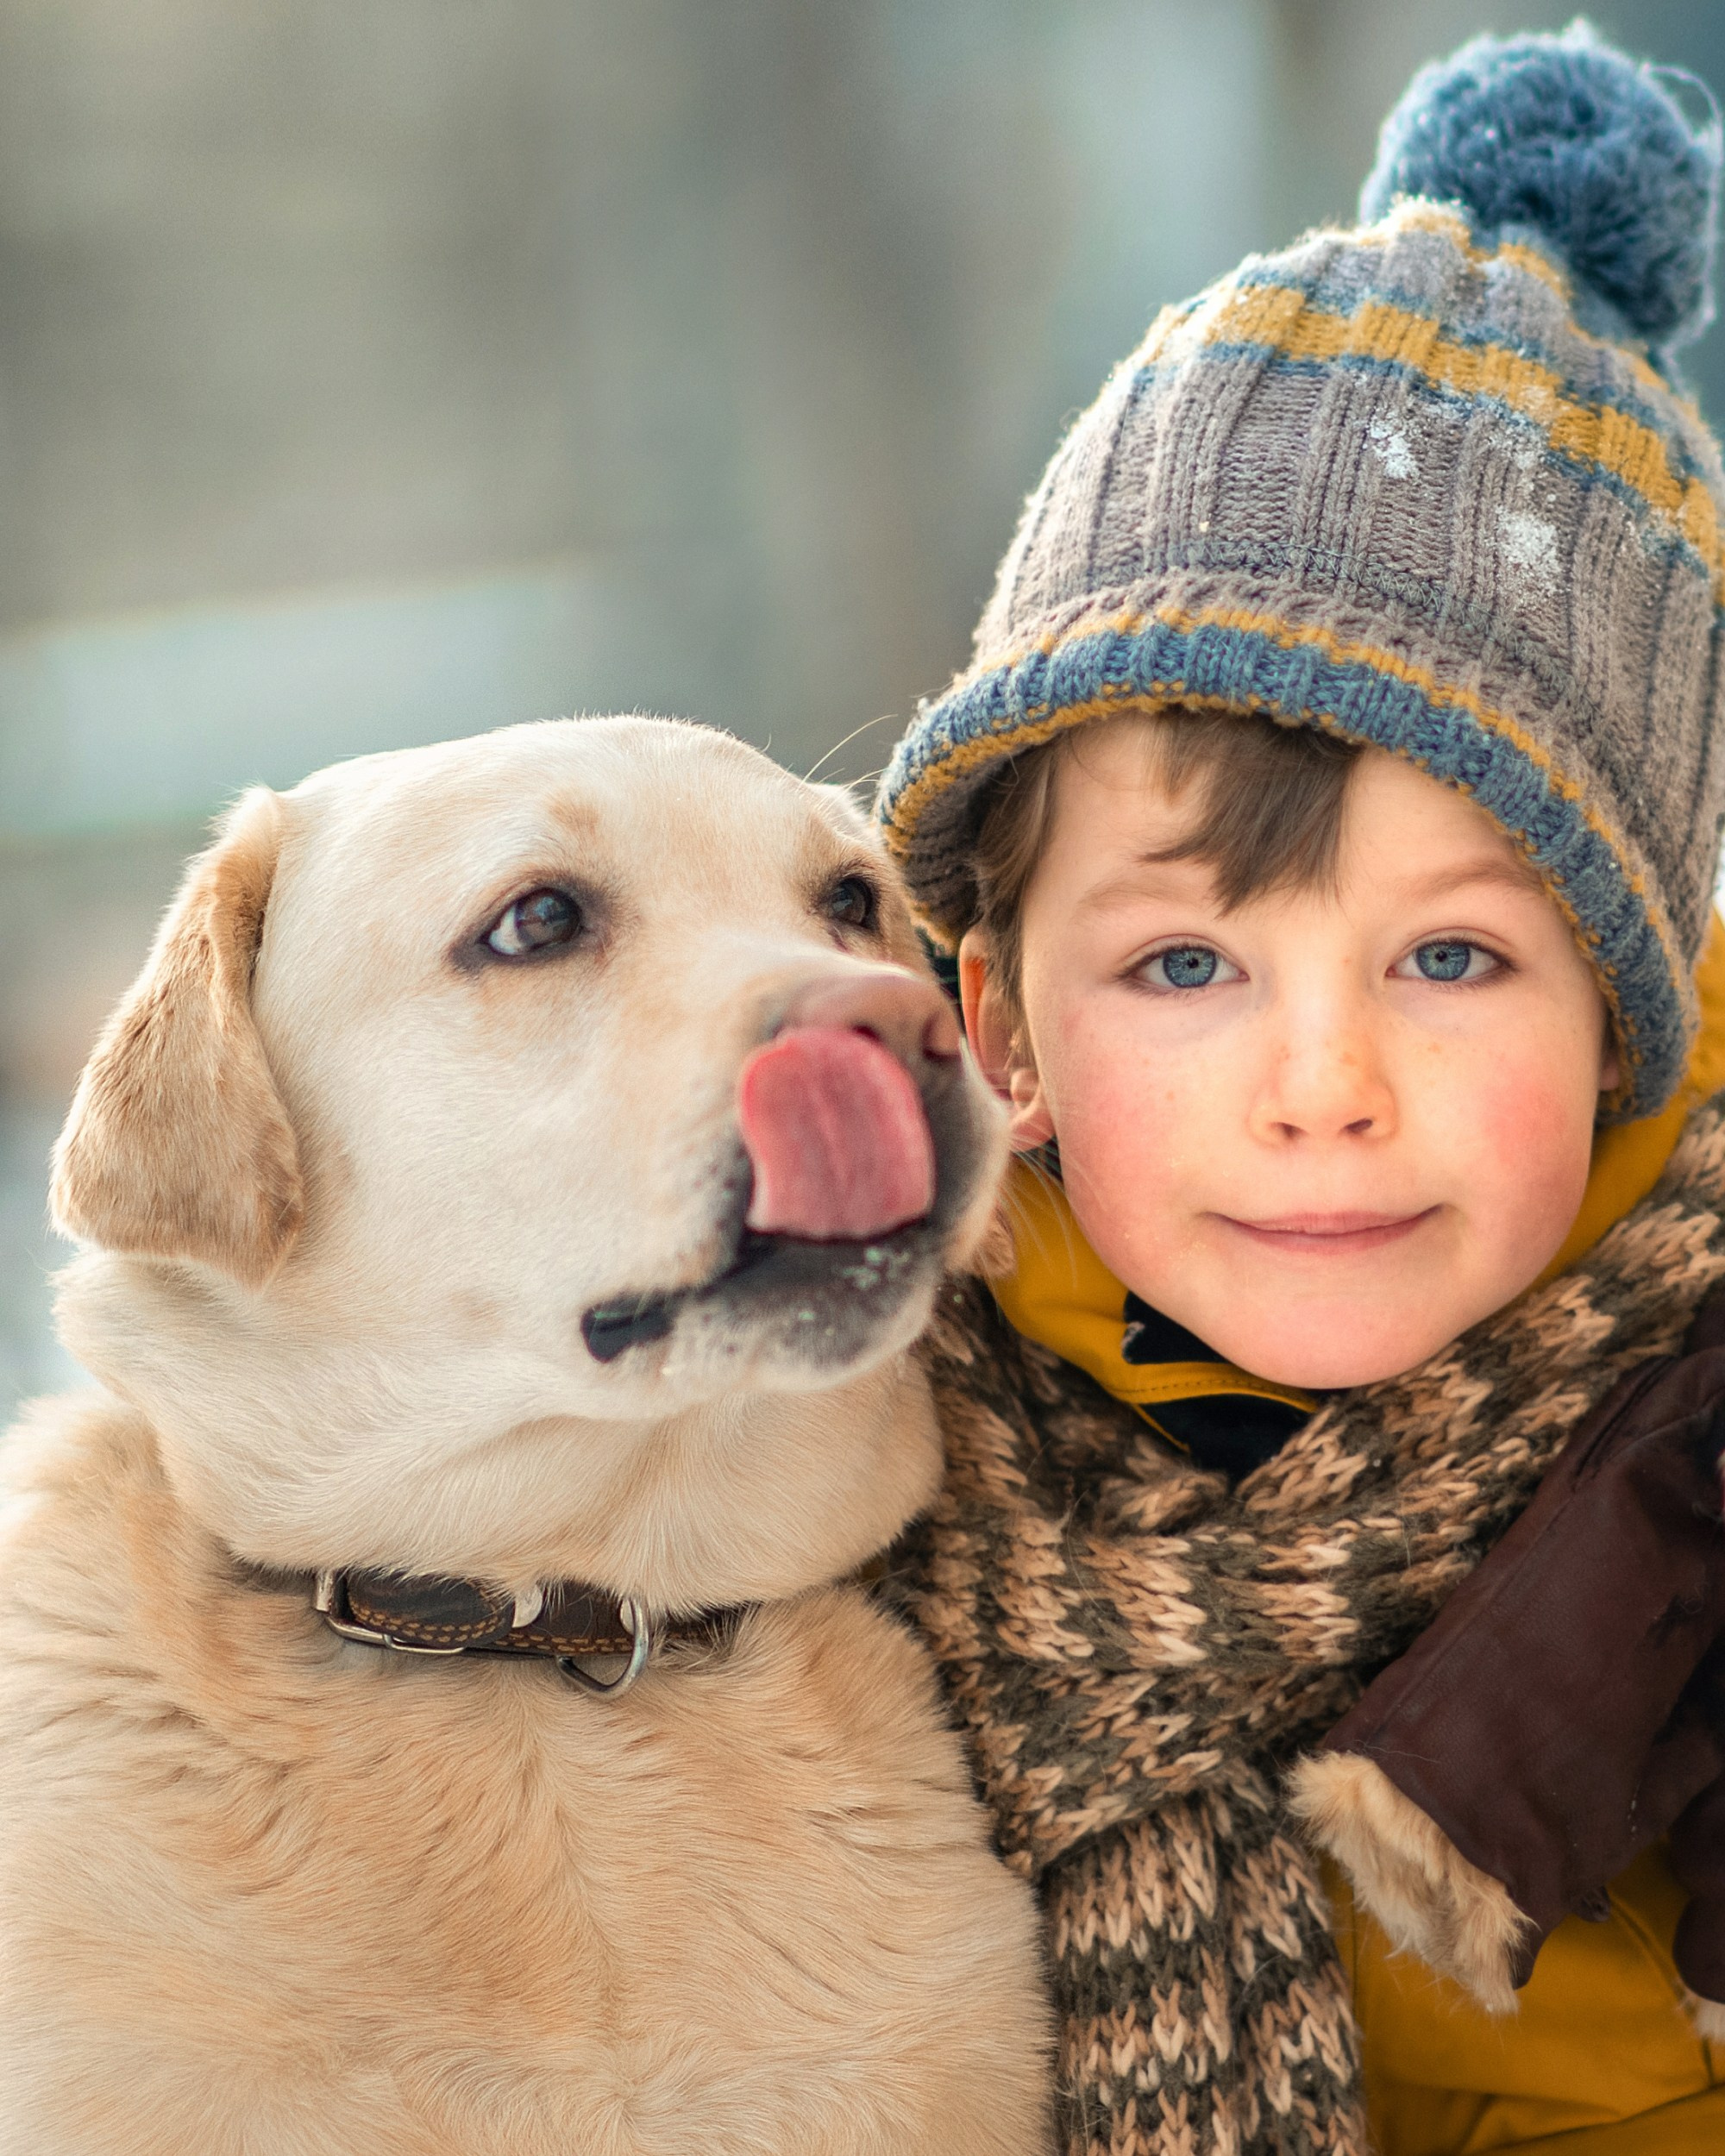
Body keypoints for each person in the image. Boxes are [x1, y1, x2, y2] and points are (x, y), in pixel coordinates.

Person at [875, 26, 1725, 2156]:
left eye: (1449, 957)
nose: (1324, 1086)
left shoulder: (1685, 1478)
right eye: (1185, 964)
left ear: (1624, 1022)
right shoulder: (851, 1460)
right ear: (998, 1024)